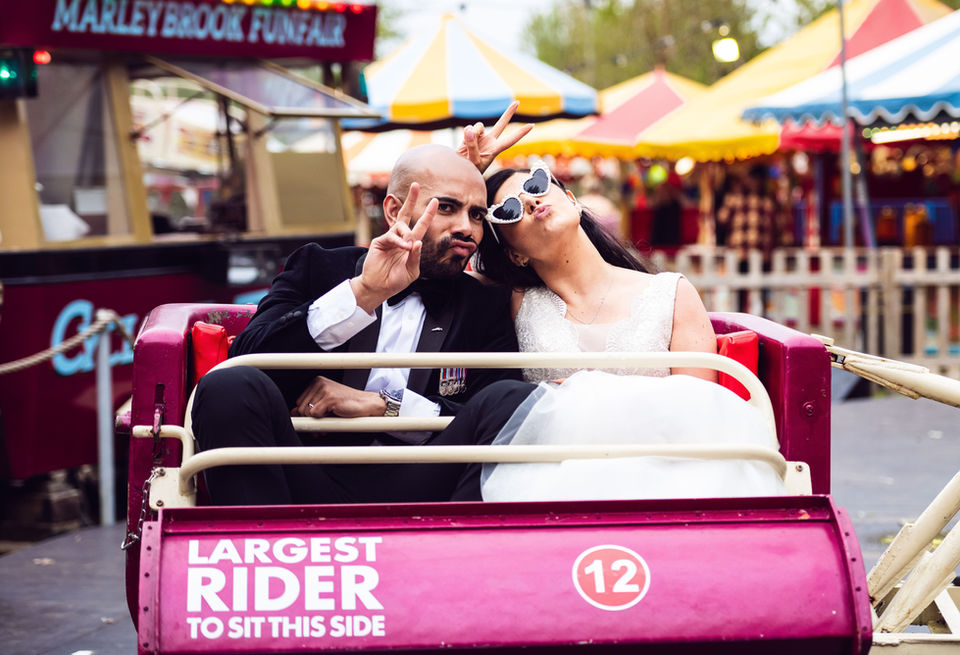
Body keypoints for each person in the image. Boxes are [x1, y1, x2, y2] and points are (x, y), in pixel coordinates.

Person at [192, 106, 538, 505]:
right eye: (446, 207)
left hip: (426, 486)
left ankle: (458, 547)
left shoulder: (483, 304)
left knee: (512, 398)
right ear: (394, 210)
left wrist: (381, 405)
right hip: (302, 473)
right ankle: (259, 549)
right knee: (228, 385)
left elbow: (496, 413)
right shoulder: (319, 267)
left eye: (477, 214)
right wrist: (363, 293)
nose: (467, 227)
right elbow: (249, 360)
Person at [475, 159, 784, 501]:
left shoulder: (670, 294)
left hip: (665, 480)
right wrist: (467, 171)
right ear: (514, 253)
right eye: (510, 209)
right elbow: (442, 270)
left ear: (573, 200)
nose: (531, 201)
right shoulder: (514, 302)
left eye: (536, 185)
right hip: (553, 485)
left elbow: (699, 416)